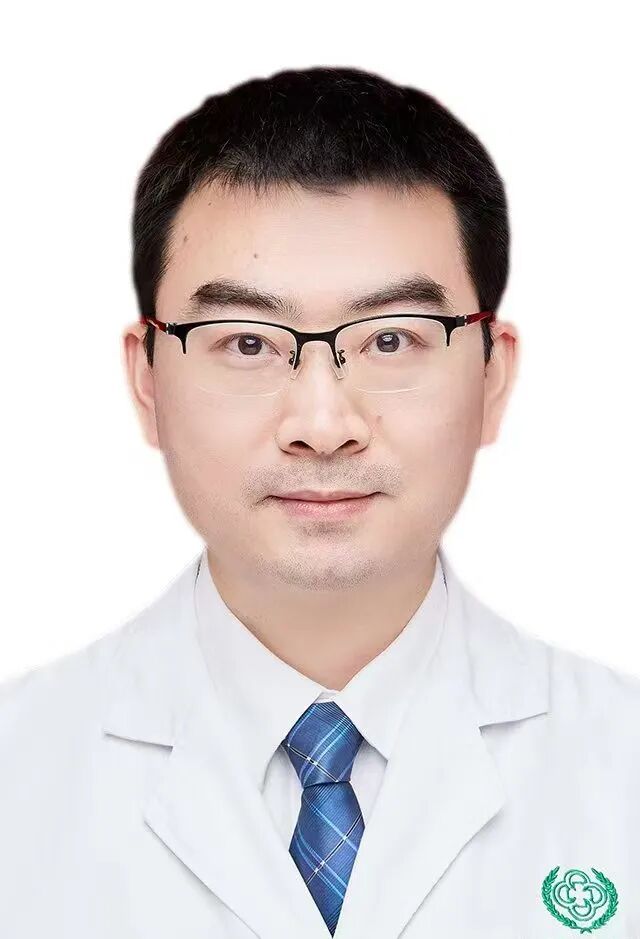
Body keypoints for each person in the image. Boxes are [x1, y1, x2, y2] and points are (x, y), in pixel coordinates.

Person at [1, 65, 638, 939]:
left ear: (493, 377)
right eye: (247, 342)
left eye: (392, 339)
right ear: (146, 381)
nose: (323, 424)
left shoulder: (621, 767)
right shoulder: (19, 771)